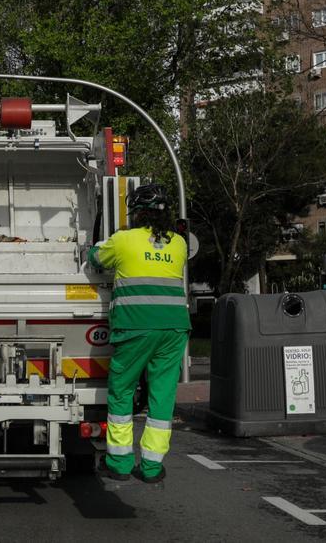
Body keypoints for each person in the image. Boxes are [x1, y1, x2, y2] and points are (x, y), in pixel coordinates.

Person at [86, 183, 189, 484]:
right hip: (173, 329)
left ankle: (119, 463)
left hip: (135, 327)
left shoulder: (123, 240)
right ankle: (153, 467)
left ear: (137, 214)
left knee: (122, 391)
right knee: (162, 397)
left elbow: (95, 259)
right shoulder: (179, 243)